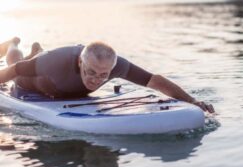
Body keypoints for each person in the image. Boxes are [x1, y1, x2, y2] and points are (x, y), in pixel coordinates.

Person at [0, 37, 215, 113]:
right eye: (90, 72)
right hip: (32, 83)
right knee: (17, 63)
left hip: (53, 76)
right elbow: (14, 71)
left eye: (104, 75)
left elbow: (154, 80)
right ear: (80, 62)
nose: (96, 79)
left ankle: (35, 53)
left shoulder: (117, 65)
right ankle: (13, 43)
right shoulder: (57, 61)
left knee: (32, 62)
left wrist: (192, 100)